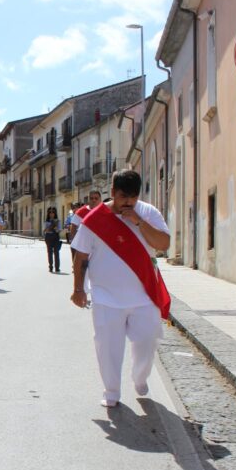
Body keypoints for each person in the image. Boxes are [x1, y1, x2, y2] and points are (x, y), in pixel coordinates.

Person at [71, 169, 171, 408]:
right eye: (123, 196)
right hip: (106, 296)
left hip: (144, 294)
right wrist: (79, 289)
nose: (128, 202)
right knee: (107, 347)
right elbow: (81, 255)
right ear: (113, 192)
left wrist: (138, 221)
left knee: (147, 341)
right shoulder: (95, 220)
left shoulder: (148, 212)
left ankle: (140, 377)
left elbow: (163, 243)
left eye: (133, 197)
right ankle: (111, 391)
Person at [43, 206, 62, 273]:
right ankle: (50, 267)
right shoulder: (46, 222)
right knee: (49, 252)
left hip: (56, 237)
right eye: (50, 213)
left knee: (56, 252)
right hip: (48, 237)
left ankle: (57, 268)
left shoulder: (58, 221)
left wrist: (55, 226)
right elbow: (45, 230)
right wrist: (51, 225)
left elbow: (59, 230)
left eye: (53, 212)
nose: (51, 214)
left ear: (55, 213)